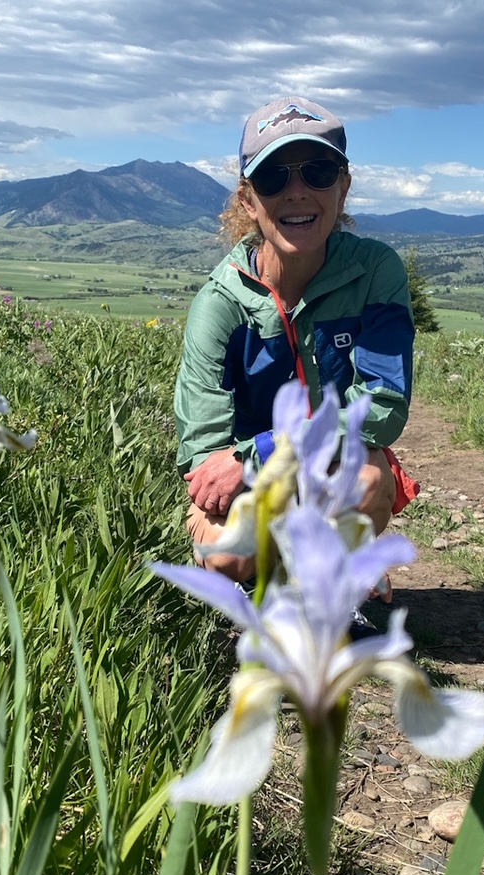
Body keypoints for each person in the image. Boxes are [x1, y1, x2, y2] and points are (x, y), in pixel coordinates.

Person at [174, 95, 418, 584]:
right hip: (250, 484)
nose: (297, 192)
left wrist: (263, 450)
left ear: (343, 188)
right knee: (229, 553)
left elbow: (383, 406)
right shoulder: (220, 303)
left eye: (318, 173)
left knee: (368, 482)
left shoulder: (374, 272)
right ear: (248, 200)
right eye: (273, 177)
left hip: (320, 465)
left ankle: (330, 585)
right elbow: (204, 455)